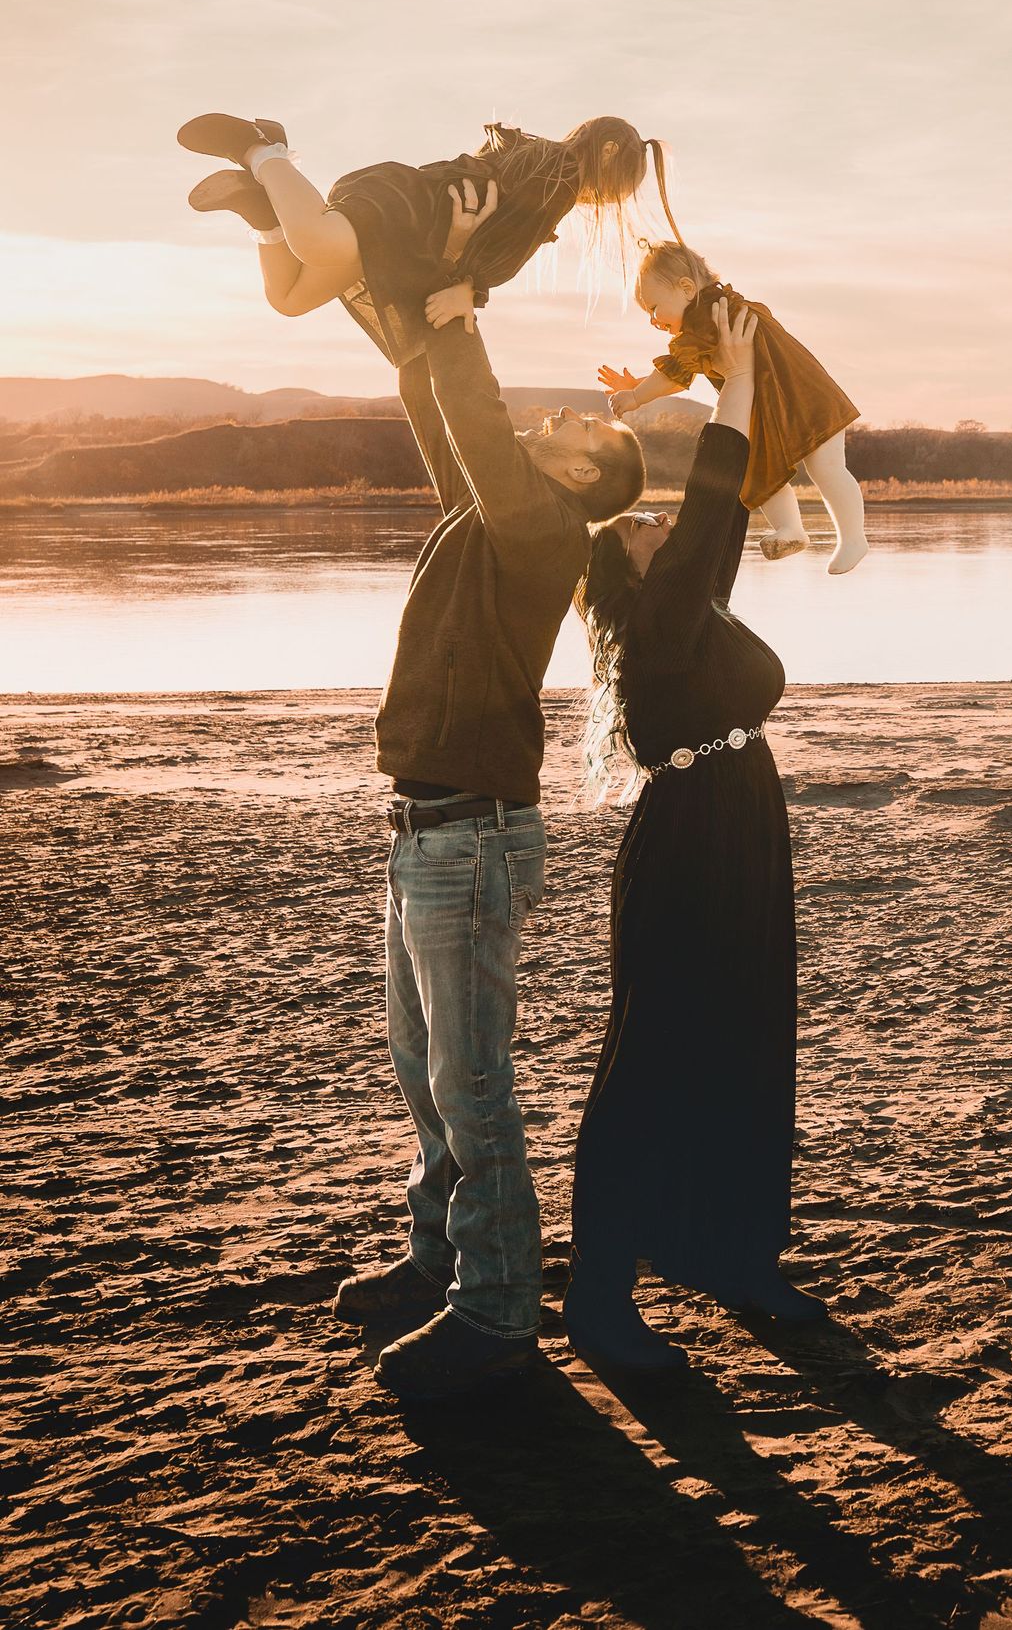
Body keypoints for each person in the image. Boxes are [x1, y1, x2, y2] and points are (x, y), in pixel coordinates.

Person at [330, 182, 649, 1402]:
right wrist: (422, 293)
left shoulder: (546, 530)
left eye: (575, 421)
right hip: (427, 828)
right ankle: (436, 1258)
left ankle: (501, 1308)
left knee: (472, 1087)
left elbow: (470, 406)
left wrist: (462, 308)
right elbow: (440, 408)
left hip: (469, 837)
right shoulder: (493, 510)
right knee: (425, 1076)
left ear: (585, 469)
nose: (561, 413)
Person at [567, 300, 825, 1370]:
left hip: (741, 824)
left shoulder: (691, 604)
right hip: (692, 841)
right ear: (628, 565)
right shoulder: (657, 609)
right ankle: (600, 1293)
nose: (663, 522)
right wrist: (740, 372)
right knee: (658, 1053)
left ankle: (732, 1252)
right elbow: (719, 486)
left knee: (748, 1035)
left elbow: (719, 510)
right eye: (644, 523)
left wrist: (745, 375)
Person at [177, 109, 676, 366]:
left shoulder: (536, 159)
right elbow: (506, 253)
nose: (603, 202)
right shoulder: (560, 176)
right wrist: (472, 287)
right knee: (313, 242)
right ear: (607, 154)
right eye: (615, 190)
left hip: (412, 233)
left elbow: (487, 231)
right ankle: (260, 149)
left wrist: (460, 257)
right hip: (408, 212)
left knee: (289, 298)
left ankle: (259, 208)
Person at [600, 239, 868, 573]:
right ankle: (791, 529)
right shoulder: (715, 310)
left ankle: (853, 537)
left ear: (686, 288)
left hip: (804, 397)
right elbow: (680, 368)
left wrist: (638, 396)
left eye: (653, 308)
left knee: (826, 468)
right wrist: (639, 384)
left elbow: (676, 373)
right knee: (758, 469)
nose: (652, 320)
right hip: (777, 405)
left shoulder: (709, 316)